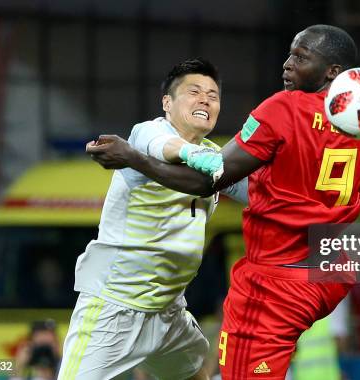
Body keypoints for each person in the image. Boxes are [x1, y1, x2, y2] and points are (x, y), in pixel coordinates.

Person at [87, 24, 360, 379]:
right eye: (290, 54)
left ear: (333, 72)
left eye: (301, 57)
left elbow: (207, 180)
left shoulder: (283, 109)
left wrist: (133, 157)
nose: (287, 64)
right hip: (329, 269)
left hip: (277, 279)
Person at [58, 58, 247, 380]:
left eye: (213, 96)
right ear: (167, 103)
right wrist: (195, 154)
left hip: (169, 312)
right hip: (115, 308)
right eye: (194, 92)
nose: (205, 99)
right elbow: (165, 147)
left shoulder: (217, 157)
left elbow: (261, 193)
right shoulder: (149, 132)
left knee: (195, 375)